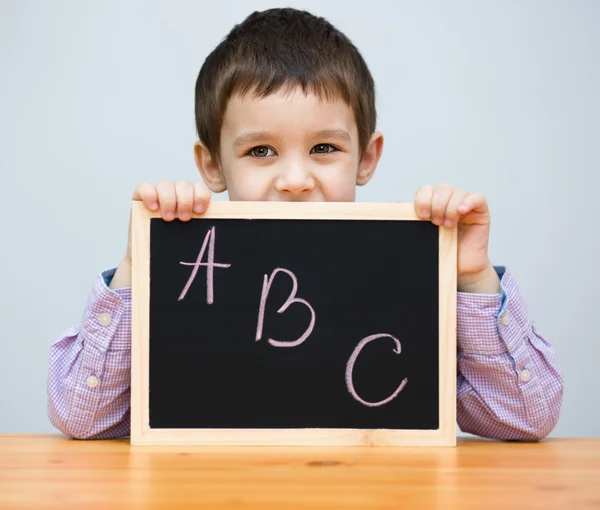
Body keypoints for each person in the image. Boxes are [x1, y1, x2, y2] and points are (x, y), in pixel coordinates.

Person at [47, 7, 563, 440]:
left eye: (323, 148)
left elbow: (526, 418)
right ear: (212, 165)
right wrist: (142, 262)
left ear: (366, 156)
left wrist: (471, 278)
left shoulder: (406, 274)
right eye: (261, 150)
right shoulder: (184, 268)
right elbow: (80, 416)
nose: (295, 179)